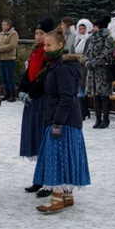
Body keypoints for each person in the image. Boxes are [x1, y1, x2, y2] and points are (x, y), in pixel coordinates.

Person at [32, 27, 91, 212]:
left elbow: (67, 97)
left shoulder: (64, 67)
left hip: (64, 121)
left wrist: (57, 122)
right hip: (62, 119)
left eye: (48, 45)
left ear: (60, 45)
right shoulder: (54, 64)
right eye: (44, 45)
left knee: (56, 158)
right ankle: (67, 195)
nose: (45, 48)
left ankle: (57, 197)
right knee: (64, 157)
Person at [18, 16, 54, 196]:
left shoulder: (50, 53)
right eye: (37, 33)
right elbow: (27, 73)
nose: (39, 37)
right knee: (36, 140)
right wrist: (21, 91)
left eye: (42, 33)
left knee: (44, 141)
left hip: (42, 101)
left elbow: (44, 78)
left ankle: (49, 180)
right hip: (32, 102)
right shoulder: (35, 50)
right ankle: (39, 178)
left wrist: (31, 94)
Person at [84, 15, 115, 129]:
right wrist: (87, 61)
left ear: (100, 27)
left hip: (103, 71)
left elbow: (107, 54)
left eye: (95, 26)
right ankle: (98, 119)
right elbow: (87, 53)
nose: (93, 28)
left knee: (104, 96)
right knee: (95, 95)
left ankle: (105, 120)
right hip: (93, 71)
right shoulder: (92, 38)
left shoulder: (108, 38)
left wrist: (94, 62)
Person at [74, 19, 93, 120]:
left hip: (84, 67)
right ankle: (82, 110)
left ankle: (84, 111)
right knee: (78, 90)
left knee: (82, 90)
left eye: (83, 28)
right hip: (77, 67)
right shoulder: (78, 39)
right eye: (80, 29)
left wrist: (78, 58)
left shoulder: (88, 39)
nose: (81, 31)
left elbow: (87, 54)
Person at [0, 19, 19, 102]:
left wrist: (0, 49)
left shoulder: (14, 34)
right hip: (1, 59)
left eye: (3, 24)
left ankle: (12, 95)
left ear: (8, 26)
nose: (2, 26)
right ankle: (6, 94)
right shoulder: (1, 34)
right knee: (4, 78)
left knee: (10, 78)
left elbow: (12, 45)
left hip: (9, 59)